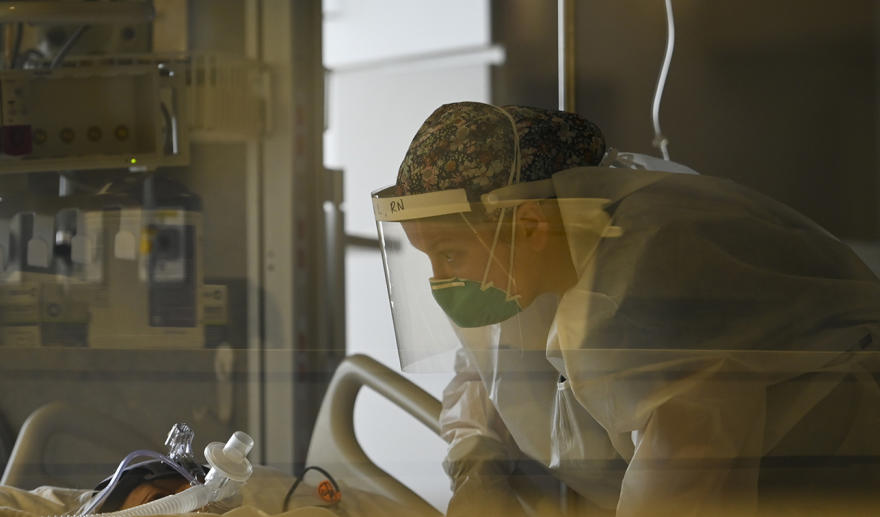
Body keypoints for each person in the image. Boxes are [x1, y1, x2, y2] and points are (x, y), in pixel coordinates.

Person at [371, 102, 880, 516]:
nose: (439, 281)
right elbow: (484, 368)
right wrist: (475, 462)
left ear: (528, 224)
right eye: (427, 257)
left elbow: (681, 489)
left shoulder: (657, 288)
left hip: (832, 484)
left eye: (449, 253)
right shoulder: (531, 263)